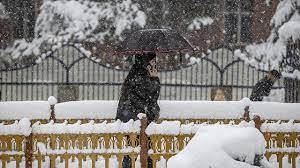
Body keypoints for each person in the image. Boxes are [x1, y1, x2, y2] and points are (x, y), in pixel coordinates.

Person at [116, 52, 160, 168]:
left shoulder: (135, 72)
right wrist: (155, 78)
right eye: (153, 60)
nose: (155, 63)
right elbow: (149, 96)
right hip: (137, 120)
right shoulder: (141, 74)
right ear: (146, 60)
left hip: (132, 118)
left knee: (133, 151)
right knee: (144, 151)